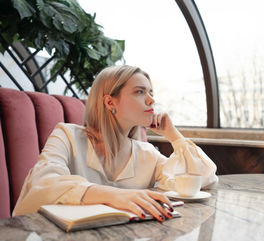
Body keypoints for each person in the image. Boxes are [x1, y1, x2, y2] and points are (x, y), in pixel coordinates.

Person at [12, 65, 218, 221]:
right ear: (110, 102)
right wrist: (114, 195)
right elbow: (42, 184)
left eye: (151, 93)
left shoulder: (147, 154)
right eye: (140, 92)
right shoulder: (67, 135)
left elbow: (205, 178)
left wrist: (173, 135)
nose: (151, 100)